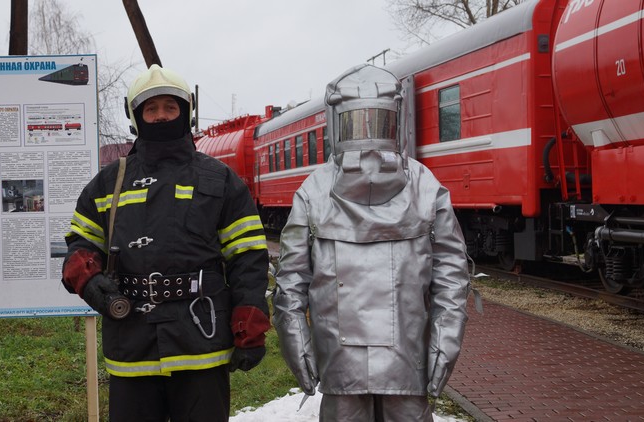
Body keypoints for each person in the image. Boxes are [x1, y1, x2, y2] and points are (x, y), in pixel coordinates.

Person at [61, 64, 271, 421]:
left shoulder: (220, 179)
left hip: (201, 341)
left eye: (170, 108)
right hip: (131, 343)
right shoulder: (109, 183)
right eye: (151, 108)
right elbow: (80, 244)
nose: (161, 116)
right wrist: (90, 279)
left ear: (186, 113)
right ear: (136, 116)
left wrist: (249, 320)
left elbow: (248, 256)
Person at [272, 64, 470, 422]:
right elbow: (452, 280)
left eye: (375, 120)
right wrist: (444, 345)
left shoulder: (314, 189)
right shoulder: (426, 185)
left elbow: (290, 284)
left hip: (339, 364)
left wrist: (298, 348)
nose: (368, 133)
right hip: (407, 362)